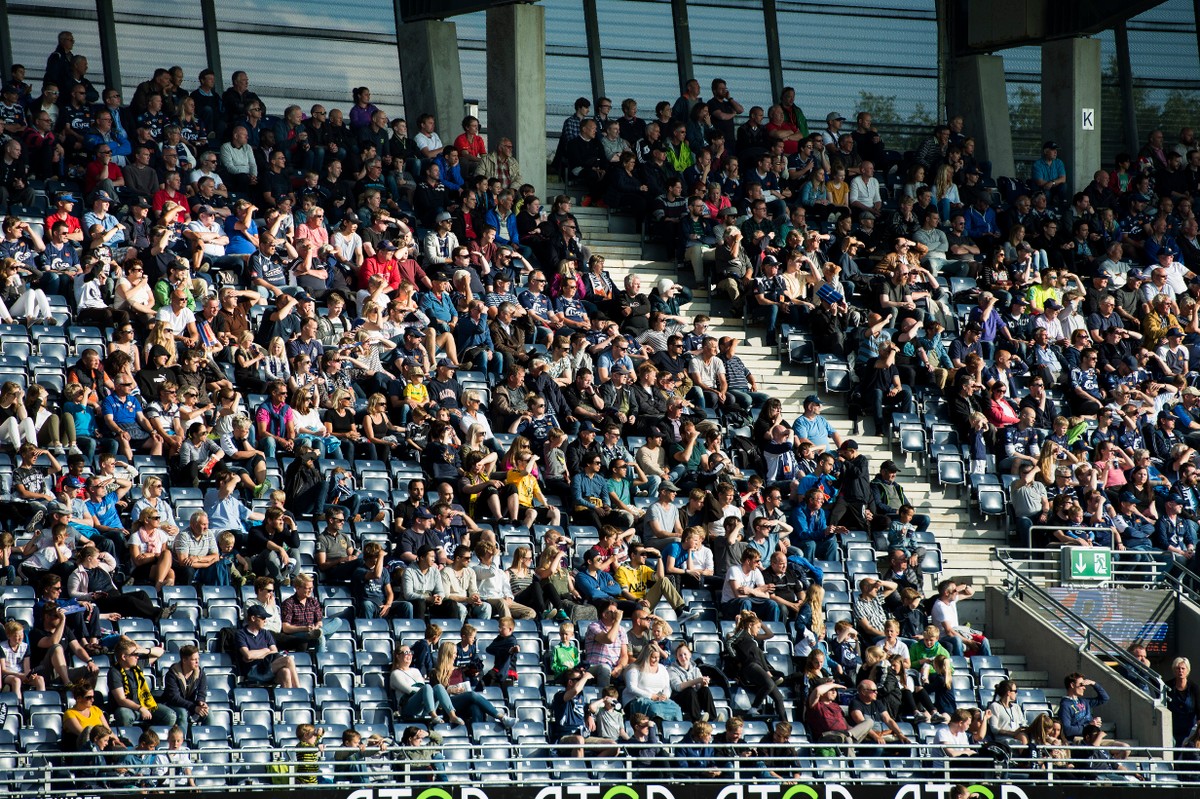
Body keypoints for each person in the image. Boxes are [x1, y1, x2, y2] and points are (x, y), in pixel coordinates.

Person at [235, 604, 300, 687]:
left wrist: (256, 655)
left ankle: (291, 698)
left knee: (285, 672)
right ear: (253, 618)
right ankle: (299, 690)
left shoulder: (266, 633)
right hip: (254, 670)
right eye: (263, 618)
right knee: (288, 660)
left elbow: (274, 651)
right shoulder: (241, 634)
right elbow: (248, 655)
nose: (265, 621)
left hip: (267, 666)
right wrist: (266, 650)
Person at [1058, 672, 1109, 739]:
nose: (1084, 688)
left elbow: (1104, 698)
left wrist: (1093, 683)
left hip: (1093, 736)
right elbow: (1067, 730)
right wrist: (1088, 726)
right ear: (1072, 685)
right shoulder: (1065, 705)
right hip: (1080, 740)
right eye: (1081, 685)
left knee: (1124, 746)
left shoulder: (1084, 701)